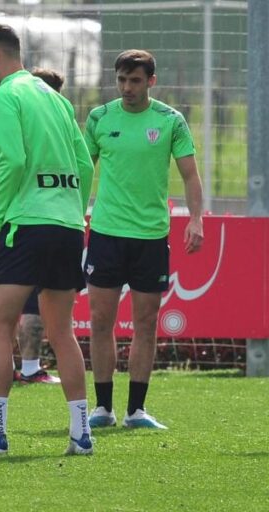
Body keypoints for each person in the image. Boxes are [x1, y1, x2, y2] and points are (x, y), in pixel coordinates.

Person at [0, 25, 95, 456]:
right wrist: (72, 210)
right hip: (68, 225)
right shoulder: (57, 98)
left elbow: (14, 161)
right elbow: (84, 164)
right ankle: (81, 434)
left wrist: (0, 220)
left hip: (25, 224)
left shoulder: (5, 95)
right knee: (62, 331)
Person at [85, 50, 203, 430]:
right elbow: (83, 170)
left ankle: (136, 410)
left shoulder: (170, 121)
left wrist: (196, 219)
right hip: (106, 233)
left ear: (151, 81)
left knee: (146, 322)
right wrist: (73, 215)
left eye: (134, 81)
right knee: (100, 320)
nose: (126, 88)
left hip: (150, 236)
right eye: (121, 80)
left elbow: (190, 175)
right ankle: (103, 408)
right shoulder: (100, 118)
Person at [12, 67, 68, 386]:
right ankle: (30, 368)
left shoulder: (18, 120)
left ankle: (6, 365)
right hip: (45, 220)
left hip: (17, 217)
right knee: (36, 299)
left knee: (7, 301)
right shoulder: (55, 130)